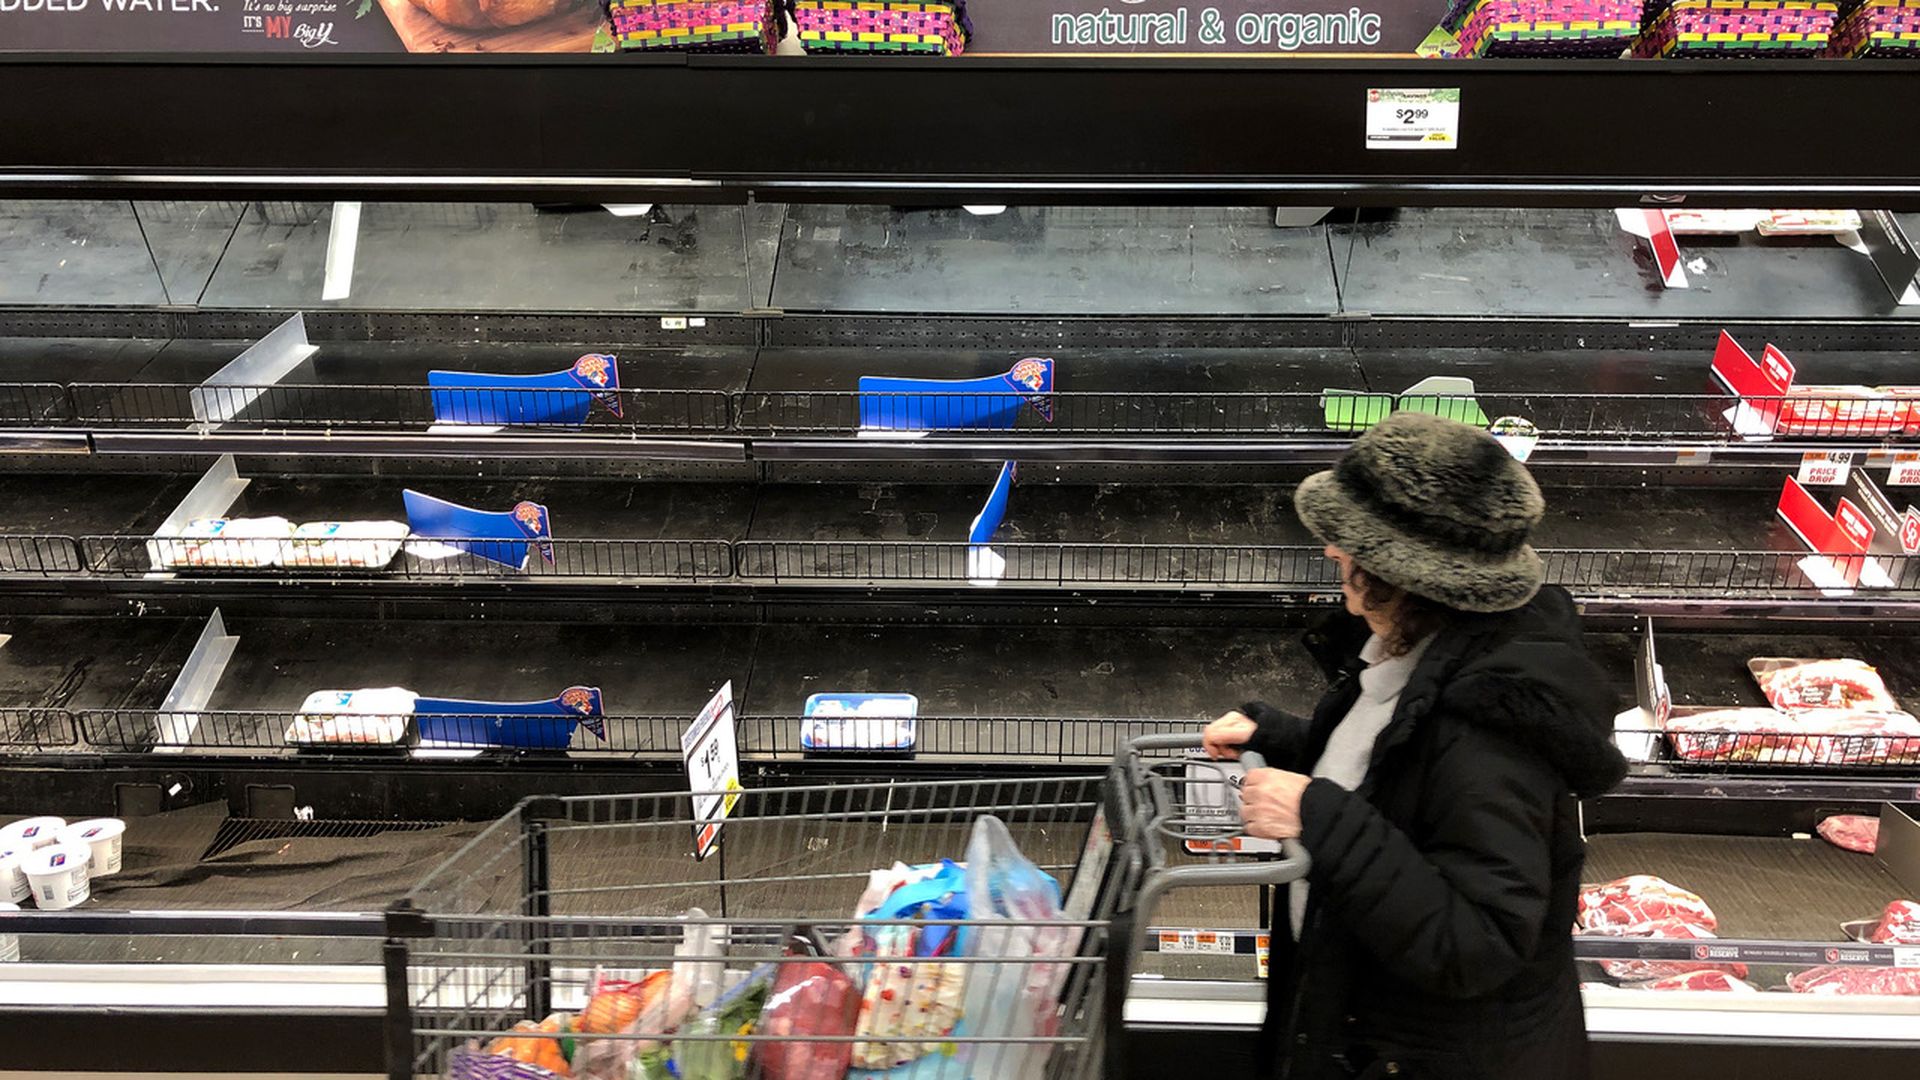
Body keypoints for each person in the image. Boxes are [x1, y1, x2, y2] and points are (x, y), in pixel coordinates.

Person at [1202, 411, 1627, 1080]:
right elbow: (1403, 777)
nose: (1330, 553)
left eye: (1346, 542)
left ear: (1399, 572)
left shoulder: (1491, 734)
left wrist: (1320, 815)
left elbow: (1476, 945)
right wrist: (1287, 742)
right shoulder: (1416, 655)